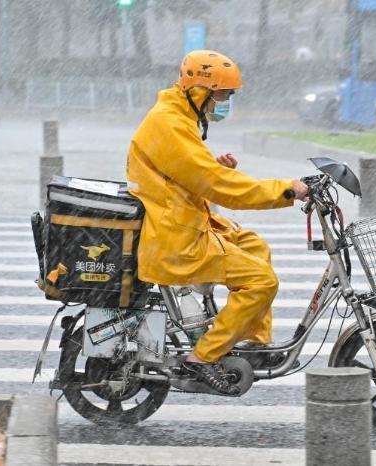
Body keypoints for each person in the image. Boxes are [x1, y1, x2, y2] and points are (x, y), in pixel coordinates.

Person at [126, 50, 307, 395]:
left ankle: (253, 340)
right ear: (200, 90)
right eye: (223, 95)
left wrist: (214, 168)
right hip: (175, 241)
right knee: (262, 282)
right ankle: (204, 358)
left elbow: (186, 173)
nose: (224, 103)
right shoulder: (169, 122)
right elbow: (215, 185)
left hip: (185, 224)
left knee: (256, 246)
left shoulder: (178, 115)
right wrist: (286, 189)